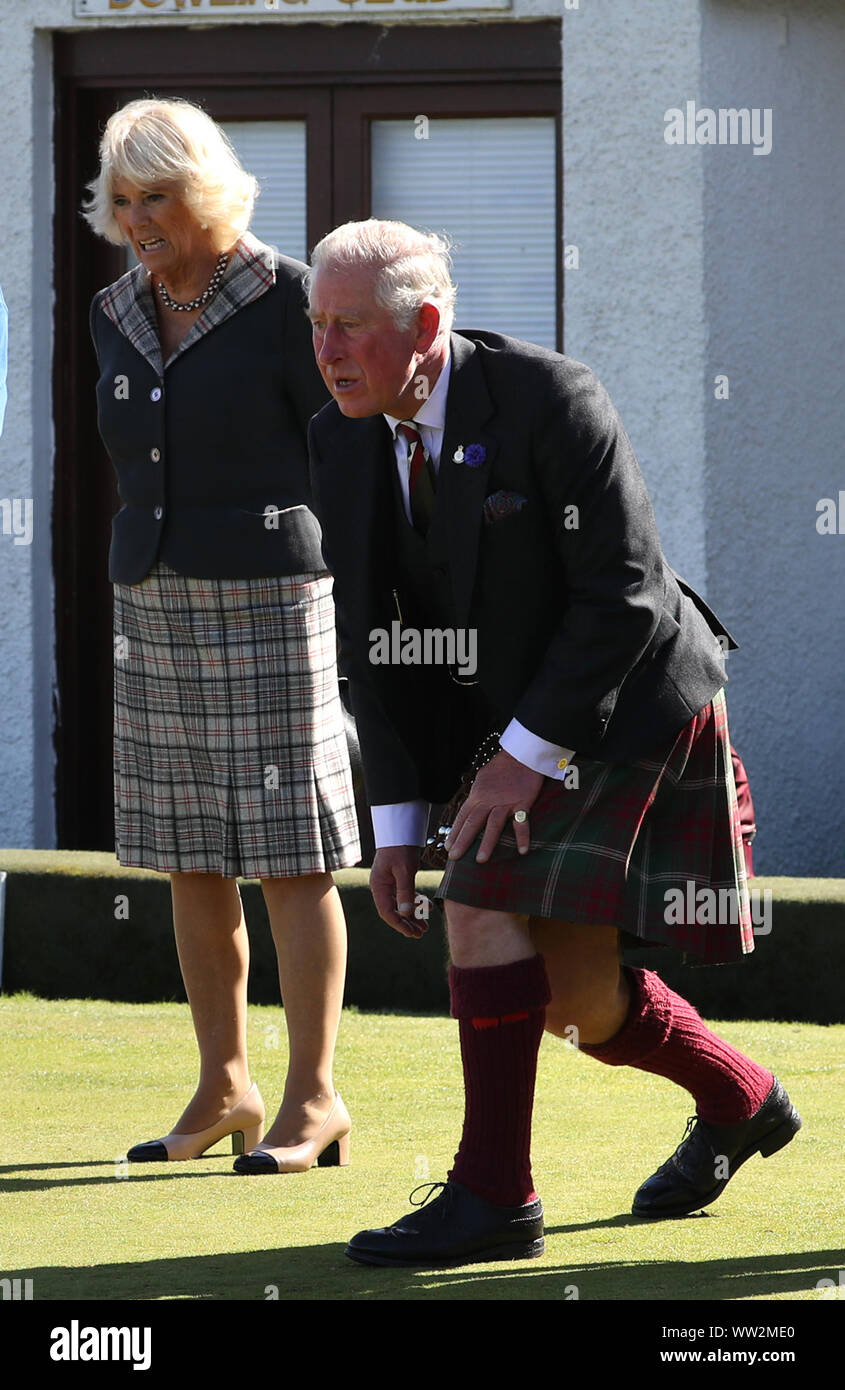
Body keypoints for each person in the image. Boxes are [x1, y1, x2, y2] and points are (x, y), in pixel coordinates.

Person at [305, 219, 801, 1267]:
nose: (328, 350)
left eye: (349, 325)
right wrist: (394, 823)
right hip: (513, 721)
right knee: (574, 1002)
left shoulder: (548, 399)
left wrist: (518, 755)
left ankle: (493, 1198)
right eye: (317, 326)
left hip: (625, 702)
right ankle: (740, 1097)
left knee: (480, 896)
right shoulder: (340, 436)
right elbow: (373, 644)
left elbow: (620, 598)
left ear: (426, 324)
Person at [85, 98, 360, 1174]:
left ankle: (313, 1097)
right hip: (152, 602)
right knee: (185, 856)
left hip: (273, 600)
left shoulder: (294, 299)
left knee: (293, 860)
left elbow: (344, 450)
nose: (138, 217)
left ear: (205, 192)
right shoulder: (115, 306)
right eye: (122, 198)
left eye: (157, 196)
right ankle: (226, 1086)